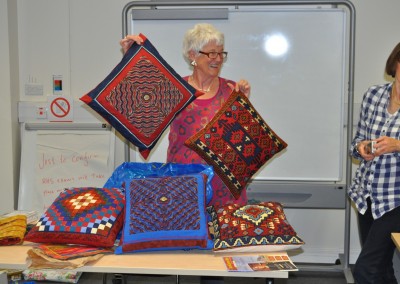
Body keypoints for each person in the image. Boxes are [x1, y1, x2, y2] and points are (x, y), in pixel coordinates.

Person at [120, 23, 251, 208]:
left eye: (221, 53)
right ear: (193, 55)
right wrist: (131, 59)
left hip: (225, 189)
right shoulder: (176, 90)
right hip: (184, 187)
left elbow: (245, 142)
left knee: (223, 236)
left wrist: (244, 104)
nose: (218, 59)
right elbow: (141, 108)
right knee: (188, 235)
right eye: (211, 53)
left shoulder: (231, 89)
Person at [348, 42, 400, 284]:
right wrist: (361, 148)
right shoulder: (373, 95)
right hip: (366, 194)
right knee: (383, 270)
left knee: (365, 270)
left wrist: (398, 145)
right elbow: (357, 142)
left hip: (395, 201)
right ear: (396, 64)